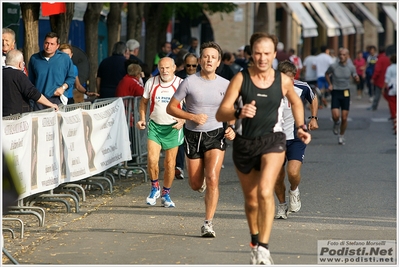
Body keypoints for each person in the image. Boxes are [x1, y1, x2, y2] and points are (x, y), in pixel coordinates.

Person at [215, 32, 311, 264]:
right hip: (245, 143)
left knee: (266, 191)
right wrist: (239, 112)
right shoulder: (241, 78)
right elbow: (221, 112)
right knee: (252, 200)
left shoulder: (283, 80)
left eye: (267, 53)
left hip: (273, 139)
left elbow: (297, 101)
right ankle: (255, 241)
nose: (262, 57)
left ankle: (264, 249)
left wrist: (300, 126)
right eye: (257, 53)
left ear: (274, 55)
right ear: (251, 53)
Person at [166, 41, 235, 238]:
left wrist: (231, 128)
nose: (209, 60)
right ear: (199, 60)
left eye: (213, 57)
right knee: (196, 184)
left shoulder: (225, 84)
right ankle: (202, 184)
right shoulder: (189, 82)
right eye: (206, 56)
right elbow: (171, 108)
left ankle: (208, 223)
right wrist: (192, 117)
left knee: (213, 177)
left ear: (219, 61)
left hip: (215, 134)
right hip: (192, 135)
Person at [136, 57, 184, 208]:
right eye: (162, 68)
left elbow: (192, 105)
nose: (164, 71)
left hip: (173, 128)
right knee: (152, 159)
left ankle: (166, 193)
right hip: (155, 126)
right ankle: (155, 187)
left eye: (167, 68)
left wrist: (183, 121)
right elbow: (143, 102)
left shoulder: (181, 83)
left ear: (174, 68)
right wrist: (142, 118)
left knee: (170, 164)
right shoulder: (151, 82)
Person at [274, 60, 319, 220]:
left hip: (296, 136)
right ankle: (281, 205)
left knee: (292, 172)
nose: (289, 82)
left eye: (291, 78)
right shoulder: (269, 88)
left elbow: (313, 99)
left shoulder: (303, 87)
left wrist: (313, 118)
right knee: (277, 176)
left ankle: (294, 190)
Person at [3, 49, 59, 116]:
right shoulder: (19, 76)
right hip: (16, 118)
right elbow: (33, 93)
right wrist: (51, 104)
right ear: (20, 64)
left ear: (5, 61)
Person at [28, 32, 75, 109]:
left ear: (57, 46)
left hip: (57, 99)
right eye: (46, 43)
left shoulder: (65, 58)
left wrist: (62, 88)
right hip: (39, 100)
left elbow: (71, 77)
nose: (48, 46)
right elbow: (31, 81)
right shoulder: (34, 59)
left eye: (52, 44)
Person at [325, 48, 359, 145]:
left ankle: (341, 135)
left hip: (345, 92)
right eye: (340, 54)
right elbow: (327, 74)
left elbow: (356, 78)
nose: (342, 56)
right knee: (336, 116)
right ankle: (336, 123)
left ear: (347, 56)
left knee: (344, 117)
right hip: (336, 91)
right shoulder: (334, 66)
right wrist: (330, 84)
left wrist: (357, 79)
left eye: (344, 55)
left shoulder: (351, 67)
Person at [174, 53, 199, 180]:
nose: (190, 68)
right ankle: (179, 167)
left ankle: (198, 169)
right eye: (188, 65)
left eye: (193, 66)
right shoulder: (178, 77)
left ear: (198, 64)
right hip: (182, 112)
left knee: (194, 141)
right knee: (180, 140)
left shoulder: (203, 76)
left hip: (198, 113)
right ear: (184, 64)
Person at [368, 46, 390, 111]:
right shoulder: (387, 59)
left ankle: (374, 106)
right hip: (387, 80)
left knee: (377, 94)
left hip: (379, 80)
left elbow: (377, 70)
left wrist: (373, 78)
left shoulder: (379, 59)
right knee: (389, 94)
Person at [383, 54, 397, 134]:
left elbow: (387, 79)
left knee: (392, 105)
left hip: (392, 87)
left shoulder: (390, 68)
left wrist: (383, 88)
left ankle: (395, 122)